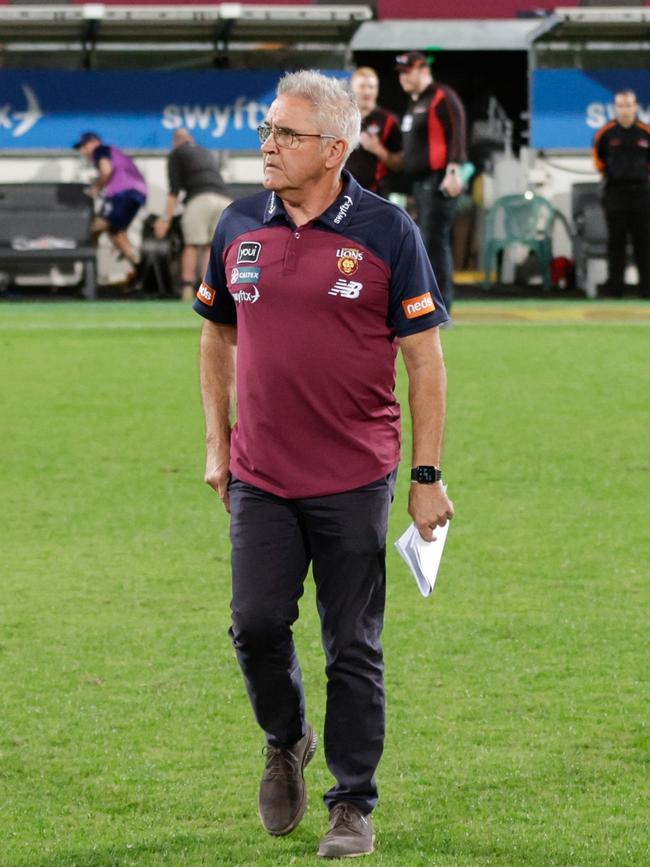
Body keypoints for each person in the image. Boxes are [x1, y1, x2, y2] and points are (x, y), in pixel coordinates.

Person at [193, 70, 453, 860]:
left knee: (353, 645)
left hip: (355, 476)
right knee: (257, 625)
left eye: (286, 136)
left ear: (335, 150)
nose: (267, 146)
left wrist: (427, 475)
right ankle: (286, 737)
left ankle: (353, 803)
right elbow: (216, 336)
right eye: (266, 132)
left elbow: (425, 361)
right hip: (260, 475)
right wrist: (216, 442)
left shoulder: (388, 231)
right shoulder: (237, 222)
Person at [396, 51, 467, 313]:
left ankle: (442, 307)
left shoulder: (441, 95)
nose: (403, 77)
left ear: (423, 70)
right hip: (420, 184)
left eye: (408, 71)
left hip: (438, 182)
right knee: (426, 244)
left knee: (434, 244)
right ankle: (432, 304)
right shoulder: (415, 101)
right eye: (401, 73)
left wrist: (453, 170)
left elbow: (457, 130)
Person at [154, 129, 231, 301]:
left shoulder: (176, 153)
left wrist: (165, 219)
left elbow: (174, 190)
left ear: (175, 141)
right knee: (210, 248)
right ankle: (209, 292)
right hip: (224, 201)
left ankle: (187, 289)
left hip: (200, 199)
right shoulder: (205, 152)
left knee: (191, 245)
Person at [592, 89, 650, 298]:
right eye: (621, 105)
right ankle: (615, 290)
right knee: (616, 243)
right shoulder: (605, 134)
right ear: (615, 108)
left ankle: (646, 289)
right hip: (615, 194)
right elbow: (599, 162)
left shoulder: (645, 132)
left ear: (635, 107)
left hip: (641, 194)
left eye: (629, 105)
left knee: (643, 243)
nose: (625, 109)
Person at [73, 132, 147, 274]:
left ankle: (89, 273)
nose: (83, 151)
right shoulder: (117, 153)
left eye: (83, 146)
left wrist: (95, 188)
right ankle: (138, 266)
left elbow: (106, 171)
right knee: (115, 231)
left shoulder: (101, 150)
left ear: (93, 142)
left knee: (94, 229)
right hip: (138, 194)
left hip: (123, 193)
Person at [345, 66, 403, 196]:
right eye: (362, 86)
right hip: (342, 192)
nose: (367, 92)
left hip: (374, 193)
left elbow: (399, 164)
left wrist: (378, 149)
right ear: (352, 88)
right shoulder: (341, 116)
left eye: (371, 87)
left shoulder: (388, 120)